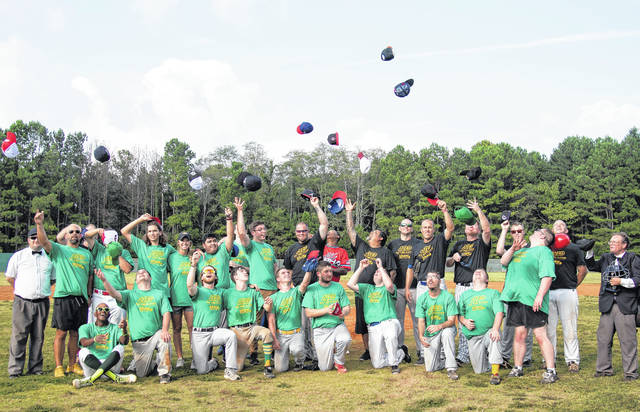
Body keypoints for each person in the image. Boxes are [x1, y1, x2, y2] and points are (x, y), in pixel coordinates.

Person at [34, 210, 93, 378]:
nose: (74, 234)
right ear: (66, 236)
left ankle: (72, 365)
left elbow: (89, 275)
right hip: (64, 297)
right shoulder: (59, 250)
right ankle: (59, 366)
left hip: (81, 299)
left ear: (81, 236)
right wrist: (39, 224)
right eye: (71, 231)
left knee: (76, 333)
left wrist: (88, 294)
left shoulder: (86, 254)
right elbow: (44, 241)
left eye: (77, 231)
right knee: (61, 333)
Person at [500, 228, 558, 384]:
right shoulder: (521, 251)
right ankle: (518, 367)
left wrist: (540, 296)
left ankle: (551, 370)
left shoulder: (544, 251)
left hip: (532, 300)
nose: (533, 231)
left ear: (542, 236)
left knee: (540, 335)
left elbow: (547, 275)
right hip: (516, 299)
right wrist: (513, 248)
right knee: (519, 334)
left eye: (537, 230)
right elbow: (503, 262)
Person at [98, 268, 173, 384]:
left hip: (155, 334)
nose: (141, 274)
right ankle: (152, 363)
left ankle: (165, 374)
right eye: (138, 274)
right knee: (142, 374)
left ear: (150, 278)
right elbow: (114, 294)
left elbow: (166, 312)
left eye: (145, 273)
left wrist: (164, 330)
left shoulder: (159, 294)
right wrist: (104, 280)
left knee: (164, 339)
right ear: (136, 281)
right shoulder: (130, 294)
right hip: (139, 342)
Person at [345, 198, 396, 362]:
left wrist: (386, 290)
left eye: (375, 232)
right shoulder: (361, 246)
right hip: (362, 290)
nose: (371, 233)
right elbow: (351, 230)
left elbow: (392, 272)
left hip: (379, 292)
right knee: (362, 320)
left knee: (378, 319)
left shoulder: (386, 252)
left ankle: (380, 347)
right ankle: (368, 350)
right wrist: (349, 212)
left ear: (381, 238)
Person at [586, 232, 640, 381]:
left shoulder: (633, 258)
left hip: (625, 304)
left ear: (624, 245)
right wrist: (589, 250)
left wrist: (621, 282)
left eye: (615, 242)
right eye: (610, 241)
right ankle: (603, 369)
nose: (611, 244)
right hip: (607, 304)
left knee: (628, 341)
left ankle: (630, 373)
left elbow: (637, 279)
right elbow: (591, 266)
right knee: (603, 339)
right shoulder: (605, 257)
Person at [406, 200, 454, 364]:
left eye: (430, 227)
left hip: (439, 284)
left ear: (433, 230)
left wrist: (445, 211)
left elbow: (450, 228)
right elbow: (410, 268)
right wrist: (407, 288)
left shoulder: (439, 241)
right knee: (423, 317)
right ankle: (424, 351)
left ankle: (442, 352)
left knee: (440, 316)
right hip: (421, 286)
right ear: (421, 230)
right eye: (424, 227)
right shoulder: (416, 246)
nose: (427, 230)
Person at [283, 196, 328, 364]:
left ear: (308, 232)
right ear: (295, 233)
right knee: (302, 325)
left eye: (304, 231)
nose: (301, 233)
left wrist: (316, 206)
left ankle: (319, 355)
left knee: (316, 323)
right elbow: (287, 270)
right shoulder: (291, 249)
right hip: (299, 290)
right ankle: (309, 354)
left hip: (316, 287)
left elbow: (324, 225)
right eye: (298, 231)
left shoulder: (315, 242)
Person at [445, 199, 491, 365]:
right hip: (461, 287)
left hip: (477, 286)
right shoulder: (459, 244)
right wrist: (453, 258)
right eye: (469, 225)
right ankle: (464, 355)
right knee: (462, 320)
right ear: (464, 229)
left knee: (481, 318)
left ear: (477, 229)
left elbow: (487, 230)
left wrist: (478, 210)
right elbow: (448, 263)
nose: (472, 227)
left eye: (474, 225)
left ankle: (484, 351)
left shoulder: (481, 243)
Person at [347, 258, 411, 374]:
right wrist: (360, 268)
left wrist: (381, 268)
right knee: (377, 364)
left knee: (390, 336)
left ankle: (394, 364)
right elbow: (350, 284)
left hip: (389, 322)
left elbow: (389, 286)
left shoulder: (389, 289)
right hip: (373, 327)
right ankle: (401, 352)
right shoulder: (367, 289)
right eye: (375, 272)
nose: (377, 273)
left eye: (380, 273)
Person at [6, 227, 55, 378]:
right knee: (19, 336)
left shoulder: (49, 258)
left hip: (42, 302)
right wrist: (21, 289)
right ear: (28, 240)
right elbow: (10, 277)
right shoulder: (18, 256)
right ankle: (15, 369)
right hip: (23, 301)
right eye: (32, 238)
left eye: (37, 238)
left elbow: (53, 279)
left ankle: (35, 368)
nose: (35, 240)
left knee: (38, 336)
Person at [186, 250, 241, 380]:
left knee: (230, 336)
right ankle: (213, 362)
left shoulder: (221, 292)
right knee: (201, 371)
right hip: (199, 334)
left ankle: (230, 370)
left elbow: (238, 290)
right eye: (205, 272)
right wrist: (193, 266)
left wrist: (250, 285)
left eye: (211, 272)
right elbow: (189, 285)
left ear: (216, 277)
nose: (208, 273)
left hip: (215, 332)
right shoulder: (198, 291)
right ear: (201, 277)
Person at [237, 202, 278, 365]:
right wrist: (240, 211)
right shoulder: (251, 246)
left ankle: (274, 349)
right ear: (253, 232)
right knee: (254, 321)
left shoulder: (269, 247)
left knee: (273, 321)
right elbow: (241, 233)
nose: (263, 231)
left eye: (264, 229)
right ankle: (253, 353)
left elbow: (274, 265)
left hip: (273, 289)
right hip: (258, 289)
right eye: (259, 229)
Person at [547, 219, 588, 372]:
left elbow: (583, 270)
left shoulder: (574, 248)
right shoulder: (546, 247)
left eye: (562, 225)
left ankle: (572, 360)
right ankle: (548, 358)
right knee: (548, 328)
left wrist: (573, 285)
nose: (558, 226)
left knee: (570, 327)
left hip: (567, 291)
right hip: (548, 292)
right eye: (555, 225)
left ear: (566, 230)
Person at [224, 265, 275, 378]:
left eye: (246, 270)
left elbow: (267, 308)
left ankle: (267, 366)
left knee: (266, 333)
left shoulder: (254, 291)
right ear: (235, 277)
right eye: (241, 271)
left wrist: (269, 303)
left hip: (252, 328)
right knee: (238, 368)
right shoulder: (227, 293)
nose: (245, 271)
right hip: (237, 331)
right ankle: (234, 357)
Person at [496, 219, 534, 368]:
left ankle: (526, 358)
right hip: (511, 293)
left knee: (527, 328)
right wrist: (504, 230)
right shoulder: (509, 248)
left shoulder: (531, 247)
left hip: (528, 293)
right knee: (508, 328)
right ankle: (505, 357)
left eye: (519, 231)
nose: (517, 234)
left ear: (524, 232)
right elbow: (499, 252)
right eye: (514, 231)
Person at [302, 261, 352, 372]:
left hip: (337, 325)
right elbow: (308, 313)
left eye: (331, 271)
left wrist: (343, 312)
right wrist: (326, 310)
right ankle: (331, 351)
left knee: (345, 339)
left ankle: (339, 362)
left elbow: (347, 307)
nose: (329, 274)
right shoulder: (311, 289)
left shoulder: (338, 287)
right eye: (326, 271)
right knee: (325, 368)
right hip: (321, 329)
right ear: (318, 274)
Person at [72, 303, 136, 388]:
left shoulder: (115, 328)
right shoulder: (85, 327)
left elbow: (124, 342)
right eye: (100, 309)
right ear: (95, 313)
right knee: (82, 351)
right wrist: (94, 339)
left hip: (110, 366)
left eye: (106, 310)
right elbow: (83, 342)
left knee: (120, 347)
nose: (103, 311)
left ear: (109, 314)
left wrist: (124, 329)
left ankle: (91, 380)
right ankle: (115, 377)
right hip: (92, 369)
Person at [458, 269, 504, 385]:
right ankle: (491, 361)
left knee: (494, 337)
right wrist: (465, 321)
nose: (477, 273)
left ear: (487, 279)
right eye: (475, 272)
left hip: (488, 331)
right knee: (479, 370)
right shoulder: (465, 295)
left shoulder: (493, 293)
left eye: (481, 272)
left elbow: (499, 312)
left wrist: (495, 329)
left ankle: (495, 373)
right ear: (472, 278)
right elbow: (460, 315)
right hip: (473, 335)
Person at [387, 218, 421, 362]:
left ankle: (421, 350)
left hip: (415, 287)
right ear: (399, 228)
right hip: (397, 287)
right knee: (398, 320)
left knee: (418, 320)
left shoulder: (418, 243)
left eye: (409, 226)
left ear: (412, 229)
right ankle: (400, 349)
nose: (406, 227)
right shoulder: (392, 244)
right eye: (403, 225)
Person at [83, 228, 134, 324]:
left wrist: (115, 252)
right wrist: (97, 230)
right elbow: (86, 235)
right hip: (99, 295)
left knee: (117, 329)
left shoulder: (124, 252)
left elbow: (127, 269)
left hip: (118, 295)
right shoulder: (99, 249)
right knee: (98, 328)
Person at [266, 267, 312, 373]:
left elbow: (304, 284)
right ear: (277, 279)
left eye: (288, 272)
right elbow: (271, 320)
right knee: (280, 369)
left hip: (296, 333)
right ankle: (285, 357)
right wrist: (274, 339)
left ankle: (299, 362)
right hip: (281, 335)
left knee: (298, 350)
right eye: (283, 273)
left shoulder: (295, 292)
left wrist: (309, 271)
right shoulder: (273, 297)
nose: (286, 273)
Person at [415, 272, 459, 380]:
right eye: (428, 277)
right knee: (430, 368)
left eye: (434, 277)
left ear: (439, 281)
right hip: (431, 332)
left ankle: (451, 368)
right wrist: (421, 336)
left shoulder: (448, 296)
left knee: (447, 333)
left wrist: (439, 326)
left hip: (445, 328)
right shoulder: (422, 298)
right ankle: (443, 362)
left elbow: (452, 321)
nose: (430, 280)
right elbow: (421, 321)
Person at [121, 213, 176, 297]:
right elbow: (124, 231)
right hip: (142, 290)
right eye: (149, 231)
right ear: (146, 234)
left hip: (161, 291)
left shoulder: (168, 248)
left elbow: (180, 256)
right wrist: (140, 219)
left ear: (160, 232)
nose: (152, 233)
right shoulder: (141, 246)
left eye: (155, 231)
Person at [167, 232, 195, 368]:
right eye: (182, 241)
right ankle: (180, 357)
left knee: (192, 328)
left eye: (187, 241)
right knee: (177, 328)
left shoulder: (194, 258)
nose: (184, 243)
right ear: (178, 242)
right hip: (176, 298)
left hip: (190, 298)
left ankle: (195, 356)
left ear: (190, 243)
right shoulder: (172, 258)